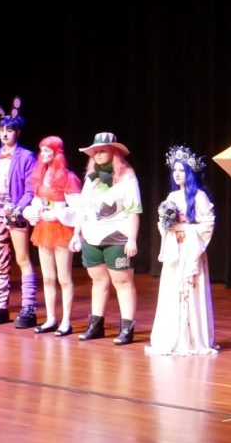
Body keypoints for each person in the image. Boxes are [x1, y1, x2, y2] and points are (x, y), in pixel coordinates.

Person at [70, 132, 142, 345]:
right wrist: (76, 233)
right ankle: (96, 324)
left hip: (117, 237)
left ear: (114, 152)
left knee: (122, 282)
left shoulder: (127, 175)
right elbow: (82, 207)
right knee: (98, 281)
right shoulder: (91, 176)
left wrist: (132, 239)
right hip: (91, 236)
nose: (98, 154)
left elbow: (134, 209)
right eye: (95, 151)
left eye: (102, 150)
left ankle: (127, 327)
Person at [146, 146, 217, 356]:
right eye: (175, 170)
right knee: (172, 292)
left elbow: (207, 225)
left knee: (191, 293)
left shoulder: (200, 196)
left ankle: (194, 339)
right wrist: (167, 227)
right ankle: (174, 337)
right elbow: (163, 224)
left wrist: (184, 229)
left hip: (191, 251)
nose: (177, 174)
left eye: (182, 170)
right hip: (175, 252)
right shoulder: (172, 195)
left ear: (190, 173)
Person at [0, 98, 39, 328]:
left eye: (10, 130)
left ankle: (28, 306)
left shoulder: (26, 156)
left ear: (18, 133)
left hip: (16, 211)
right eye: (2, 130)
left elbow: (30, 190)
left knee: (22, 259)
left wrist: (18, 208)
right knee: (2, 261)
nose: (5, 134)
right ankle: (0, 305)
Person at [22, 136, 82, 336]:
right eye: (42, 150)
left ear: (57, 153)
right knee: (47, 278)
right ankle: (50, 318)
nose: (45, 154)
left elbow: (77, 208)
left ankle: (66, 321)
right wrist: (34, 211)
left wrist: (59, 214)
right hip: (44, 229)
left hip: (61, 229)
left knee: (64, 278)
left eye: (49, 151)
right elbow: (39, 200)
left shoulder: (67, 177)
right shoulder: (40, 175)